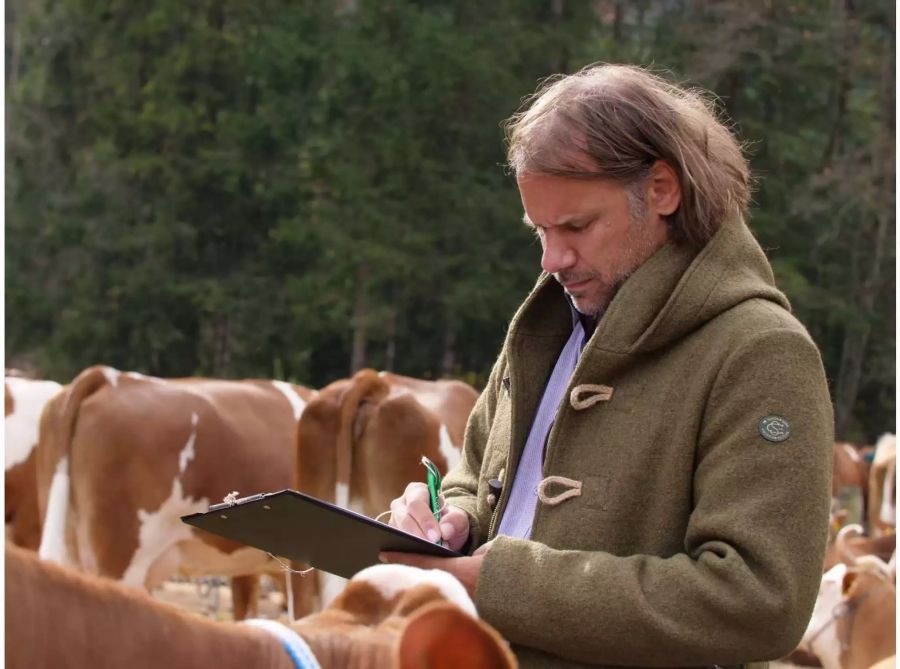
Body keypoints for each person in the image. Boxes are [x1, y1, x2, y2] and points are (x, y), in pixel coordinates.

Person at [383, 63, 833, 669]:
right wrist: (452, 519)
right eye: (538, 228)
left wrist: (497, 583)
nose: (551, 259)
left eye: (576, 226)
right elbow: (476, 476)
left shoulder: (761, 352)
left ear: (661, 191)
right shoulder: (547, 328)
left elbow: (758, 600)